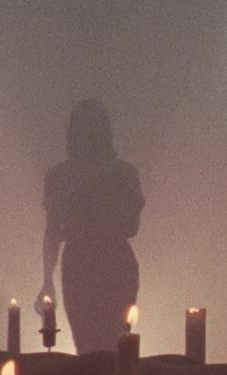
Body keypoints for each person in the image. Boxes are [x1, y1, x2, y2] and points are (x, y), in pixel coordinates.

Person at [35, 99, 145, 353]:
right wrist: (47, 281)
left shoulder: (124, 174)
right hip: (79, 267)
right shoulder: (59, 176)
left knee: (115, 344)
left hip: (114, 266)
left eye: (93, 128)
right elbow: (52, 232)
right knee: (86, 347)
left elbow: (131, 227)